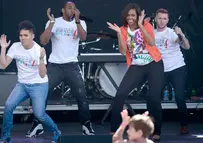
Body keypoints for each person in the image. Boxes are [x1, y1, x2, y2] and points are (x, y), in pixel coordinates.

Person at [26, 1, 95, 137]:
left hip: (72, 65)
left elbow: (83, 37)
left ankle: (86, 124)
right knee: (42, 93)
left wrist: (77, 21)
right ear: (63, 10)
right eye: (69, 8)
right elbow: (43, 41)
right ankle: (37, 124)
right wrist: (51, 23)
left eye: (74, 8)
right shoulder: (54, 22)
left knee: (82, 95)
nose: (72, 10)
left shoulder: (80, 23)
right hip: (55, 65)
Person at [107, 3, 164, 141]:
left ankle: (157, 130)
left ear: (137, 16)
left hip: (153, 64)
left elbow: (151, 43)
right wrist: (120, 34)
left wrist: (142, 25)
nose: (130, 17)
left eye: (133, 15)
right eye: (128, 15)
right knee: (120, 94)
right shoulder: (123, 29)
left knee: (154, 98)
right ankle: (114, 128)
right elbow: (123, 51)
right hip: (137, 66)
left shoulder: (147, 25)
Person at [0, 20, 60, 143]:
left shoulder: (38, 50)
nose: (22, 38)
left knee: (39, 114)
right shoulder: (15, 47)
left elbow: (42, 75)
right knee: (8, 106)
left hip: (39, 85)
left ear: (32, 36)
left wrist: (41, 59)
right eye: (21, 35)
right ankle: (5, 138)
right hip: (22, 84)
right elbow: (2, 66)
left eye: (25, 35)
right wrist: (3, 48)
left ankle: (56, 132)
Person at [154, 8, 190, 134]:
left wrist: (181, 35)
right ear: (155, 19)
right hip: (161, 70)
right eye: (160, 18)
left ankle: (184, 125)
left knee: (180, 98)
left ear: (168, 20)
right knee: (154, 97)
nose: (162, 21)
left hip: (177, 67)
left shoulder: (172, 33)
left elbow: (186, 46)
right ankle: (156, 126)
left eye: (164, 19)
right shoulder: (152, 34)